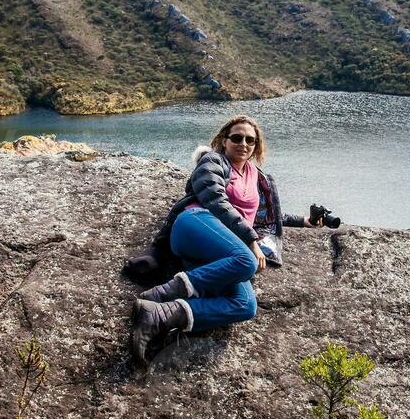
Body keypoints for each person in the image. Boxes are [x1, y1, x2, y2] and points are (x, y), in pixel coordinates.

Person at [126, 114, 325, 365]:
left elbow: (265, 215)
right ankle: (159, 294)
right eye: (237, 138)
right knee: (247, 260)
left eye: (250, 140)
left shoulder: (257, 176)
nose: (244, 144)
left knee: (244, 305)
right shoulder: (212, 161)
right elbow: (215, 201)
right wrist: (251, 240)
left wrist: (304, 221)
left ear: (256, 145)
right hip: (196, 224)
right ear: (224, 140)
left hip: (223, 245)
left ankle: (158, 315)